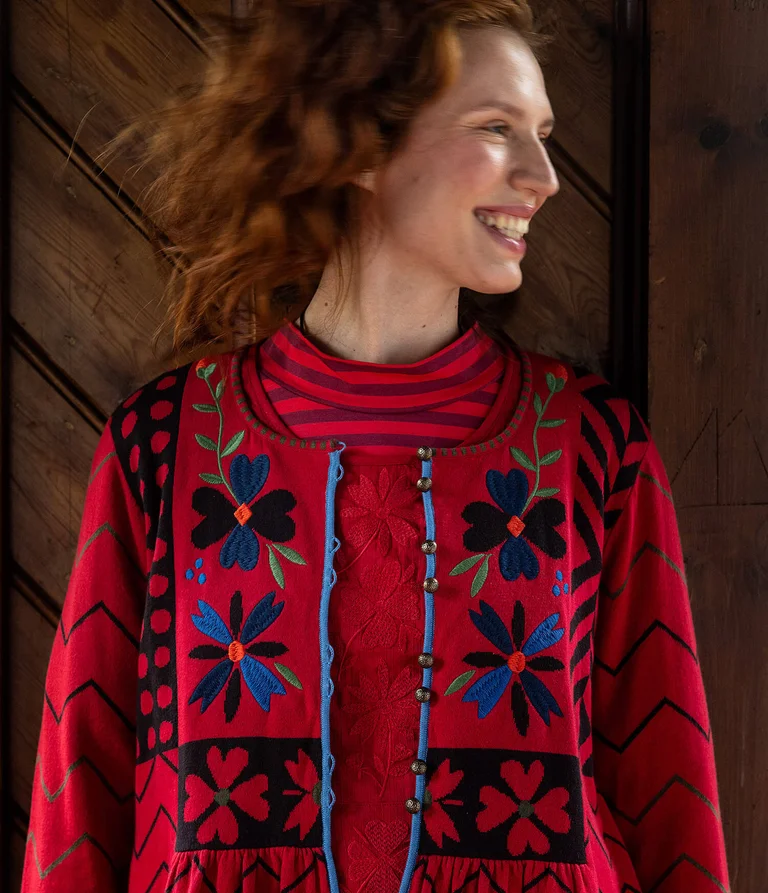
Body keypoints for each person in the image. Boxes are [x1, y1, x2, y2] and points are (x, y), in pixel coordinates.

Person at [21, 1, 731, 892]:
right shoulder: (166, 448)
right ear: (359, 147)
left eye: (545, 134)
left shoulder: (592, 448)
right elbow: (78, 786)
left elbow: (670, 794)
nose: (545, 175)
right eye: (497, 128)